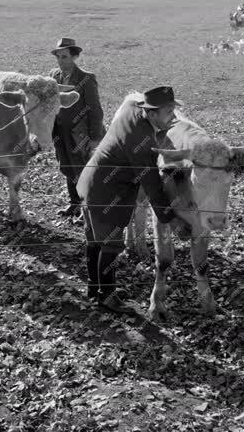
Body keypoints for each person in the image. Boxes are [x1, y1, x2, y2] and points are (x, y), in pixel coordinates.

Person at [77, 86, 194, 313]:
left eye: (173, 111)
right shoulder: (141, 142)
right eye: (168, 112)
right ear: (151, 114)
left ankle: (95, 287)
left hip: (90, 181)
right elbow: (152, 186)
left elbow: (133, 101)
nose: (174, 117)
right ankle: (106, 296)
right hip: (107, 192)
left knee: (95, 240)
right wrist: (172, 220)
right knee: (110, 244)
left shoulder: (134, 110)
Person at [48, 37, 105, 220]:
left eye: (64, 57)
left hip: (80, 133)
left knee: (82, 169)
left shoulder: (86, 79)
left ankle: (86, 208)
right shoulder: (53, 76)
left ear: (74, 57)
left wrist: (95, 138)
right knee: (66, 166)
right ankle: (73, 203)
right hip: (60, 131)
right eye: (58, 56)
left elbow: (95, 110)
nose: (60, 61)